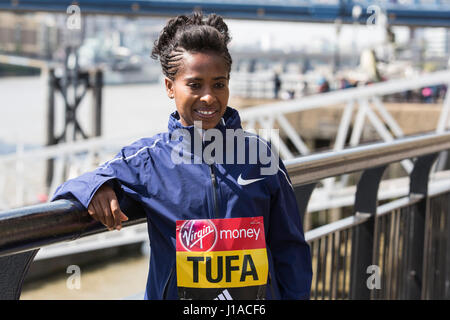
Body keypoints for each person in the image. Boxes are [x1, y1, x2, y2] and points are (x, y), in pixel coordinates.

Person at [52, 12, 312, 300]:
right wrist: (96, 188)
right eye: (195, 84)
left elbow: (290, 247)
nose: (209, 97)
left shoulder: (260, 155)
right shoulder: (149, 160)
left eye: (219, 84)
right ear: (169, 87)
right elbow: (72, 186)